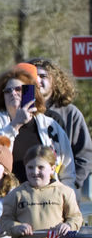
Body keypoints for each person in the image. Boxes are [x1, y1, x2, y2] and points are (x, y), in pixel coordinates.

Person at [0, 65, 75, 189]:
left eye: (18, 89)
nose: (13, 93)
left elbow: (67, 170)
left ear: (31, 92)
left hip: (47, 200)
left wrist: (67, 198)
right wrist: (15, 124)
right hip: (6, 199)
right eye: (8, 91)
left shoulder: (50, 126)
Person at [27, 57, 92, 197]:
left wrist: (71, 185)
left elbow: (85, 156)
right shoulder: (18, 113)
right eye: (33, 76)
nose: (38, 80)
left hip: (63, 194)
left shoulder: (70, 113)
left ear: (55, 81)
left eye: (43, 76)